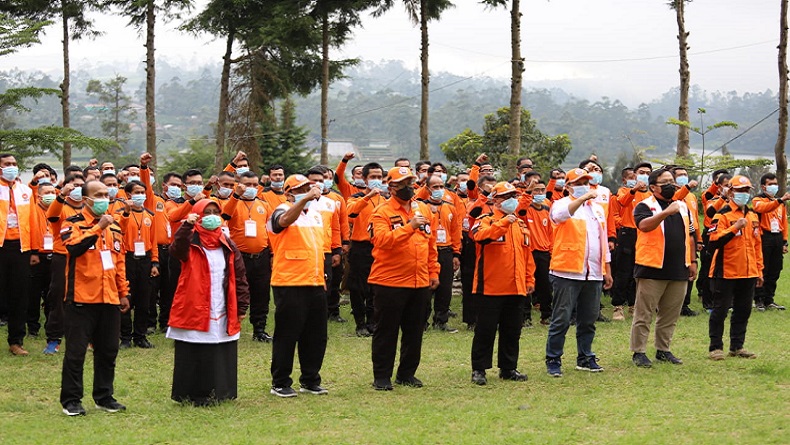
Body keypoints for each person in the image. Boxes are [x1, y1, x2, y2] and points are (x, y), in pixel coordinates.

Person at [167, 200, 249, 405]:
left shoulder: (227, 243)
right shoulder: (190, 240)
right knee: (195, 348)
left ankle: (221, 392)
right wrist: (186, 226)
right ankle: (193, 393)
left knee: (220, 348)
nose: (212, 216)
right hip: (194, 301)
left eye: (215, 212)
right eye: (206, 213)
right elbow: (177, 250)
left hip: (222, 302)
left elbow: (239, 275)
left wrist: (242, 305)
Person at [60, 180, 130, 416]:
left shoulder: (115, 228)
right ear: (86, 199)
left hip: (109, 299)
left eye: (106, 194)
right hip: (81, 299)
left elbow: (119, 263)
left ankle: (104, 396)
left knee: (108, 351)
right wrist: (98, 227)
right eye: (98, 195)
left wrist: (123, 292)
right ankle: (71, 400)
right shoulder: (73, 223)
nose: (104, 199)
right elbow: (74, 248)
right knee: (76, 352)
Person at [368, 167, 440, 391]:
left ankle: (407, 374)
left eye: (410, 182)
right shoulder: (381, 212)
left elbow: (431, 244)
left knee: (414, 331)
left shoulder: (423, 209)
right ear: (391, 187)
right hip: (390, 282)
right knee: (386, 331)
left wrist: (433, 271)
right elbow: (382, 241)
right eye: (403, 183)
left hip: (419, 281)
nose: (409, 187)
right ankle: (382, 376)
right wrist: (410, 227)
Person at [545, 168, 613, 377]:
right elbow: (560, 216)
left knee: (588, 319)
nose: (584, 186)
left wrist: (606, 269)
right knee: (562, 318)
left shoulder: (597, 209)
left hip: (593, 272)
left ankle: (585, 357)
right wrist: (582, 198)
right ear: (568, 186)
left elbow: (603, 241)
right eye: (579, 182)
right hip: (567, 271)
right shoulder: (561, 204)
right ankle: (553, 358)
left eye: (586, 182)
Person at [266, 174, 329, 398]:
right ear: (289, 192)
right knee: (287, 334)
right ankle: (280, 382)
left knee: (316, 335)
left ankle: (310, 380)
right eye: (301, 189)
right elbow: (283, 222)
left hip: (315, 281)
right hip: (289, 282)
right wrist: (305, 200)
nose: (307, 192)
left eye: (308, 188)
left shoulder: (315, 215)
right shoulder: (280, 210)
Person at [630, 169, 697, 368]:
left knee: (670, 313)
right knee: (644, 313)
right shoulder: (644, 205)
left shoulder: (682, 206)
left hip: (678, 267)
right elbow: (644, 226)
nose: (671, 185)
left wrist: (692, 261)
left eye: (671, 181)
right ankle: (639, 351)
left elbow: (690, 236)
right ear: (653, 187)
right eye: (665, 182)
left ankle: (663, 349)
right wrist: (666, 213)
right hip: (652, 267)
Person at [470, 181, 536, 385]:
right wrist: (504, 222)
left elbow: (527, 255)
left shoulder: (520, 225)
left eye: (513, 196)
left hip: (516, 287)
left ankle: (508, 368)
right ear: (496, 200)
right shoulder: (486, 220)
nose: (512, 200)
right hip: (490, 287)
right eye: (507, 197)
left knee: (512, 331)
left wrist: (529, 278)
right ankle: (479, 369)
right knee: (485, 330)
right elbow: (479, 236)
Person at [706, 175, 764, 360]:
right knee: (720, 310)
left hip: (748, 272)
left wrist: (759, 270)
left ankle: (737, 346)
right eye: (740, 190)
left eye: (746, 190)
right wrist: (735, 227)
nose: (744, 194)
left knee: (743, 310)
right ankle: (715, 347)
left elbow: (757, 245)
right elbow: (713, 243)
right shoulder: (722, 215)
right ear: (731, 192)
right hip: (726, 271)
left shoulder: (753, 215)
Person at [221, 170, 273, 342]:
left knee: (262, 294)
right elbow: (225, 216)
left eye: (254, 185)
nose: (251, 188)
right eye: (247, 184)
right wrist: (236, 195)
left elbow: (270, 232)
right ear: (239, 185)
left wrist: (272, 253)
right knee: (237, 292)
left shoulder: (263, 205)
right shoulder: (233, 202)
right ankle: (232, 327)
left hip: (261, 256)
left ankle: (259, 329)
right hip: (240, 257)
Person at [346, 162, 387, 337]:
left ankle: (372, 321)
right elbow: (351, 213)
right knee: (358, 287)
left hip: (379, 247)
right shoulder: (355, 198)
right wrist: (368, 196)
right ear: (364, 179)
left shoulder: (385, 201)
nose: (377, 180)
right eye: (373, 177)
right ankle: (360, 323)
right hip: (360, 247)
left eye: (379, 177)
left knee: (375, 287)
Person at [117, 180, 159, 349]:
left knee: (144, 299)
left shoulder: (150, 215)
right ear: (128, 195)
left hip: (145, 259)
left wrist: (155, 262)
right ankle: (125, 337)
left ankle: (140, 336)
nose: (140, 195)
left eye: (143, 192)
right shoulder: (120, 214)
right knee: (126, 297)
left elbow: (153, 241)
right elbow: (119, 231)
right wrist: (126, 212)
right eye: (137, 192)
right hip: (127, 257)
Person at [0, 154, 32, 356]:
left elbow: (33, 221)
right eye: (7, 164)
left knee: (19, 296)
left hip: (21, 248)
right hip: (1, 246)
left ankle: (16, 341)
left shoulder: (26, 191)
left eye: (14, 163)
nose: (11, 167)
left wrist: (34, 250)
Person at [421, 174, 461, 332]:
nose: (439, 190)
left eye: (441, 186)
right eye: (435, 187)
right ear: (428, 189)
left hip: (446, 251)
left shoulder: (450, 207)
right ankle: (421, 321)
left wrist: (456, 253)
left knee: (445, 288)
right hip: (428, 251)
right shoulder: (421, 207)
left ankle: (441, 320)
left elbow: (456, 232)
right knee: (426, 288)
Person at [751, 173, 789, 311]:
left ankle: (769, 299)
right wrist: (780, 200)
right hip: (764, 237)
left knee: (775, 269)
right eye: (770, 184)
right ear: (763, 186)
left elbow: (784, 222)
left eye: (775, 184)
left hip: (777, 236)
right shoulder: (758, 200)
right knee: (763, 268)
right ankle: (758, 299)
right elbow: (762, 208)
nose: (774, 186)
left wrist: (784, 241)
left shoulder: (780, 204)